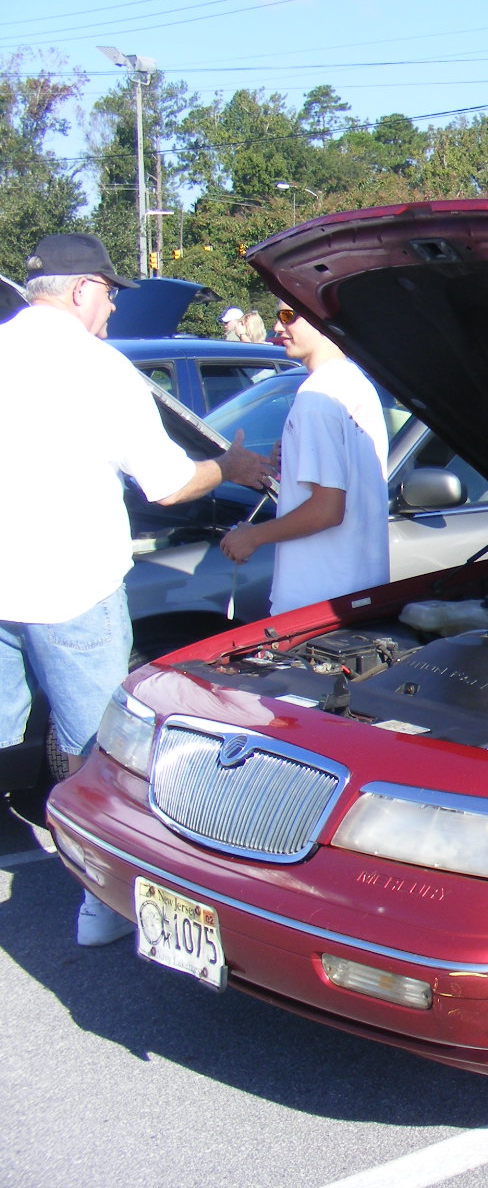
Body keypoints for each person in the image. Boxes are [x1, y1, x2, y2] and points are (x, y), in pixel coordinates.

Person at [0, 234, 273, 946]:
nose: (115, 305)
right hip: (70, 584)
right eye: (112, 292)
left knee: (1, 731)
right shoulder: (95, 369)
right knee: (95, 743)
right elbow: (171, 483)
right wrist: (233, 466)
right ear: (84, 288)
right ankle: (99, 900)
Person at [220, 303, 389, 615]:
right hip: (361, 595)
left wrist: (252, 536)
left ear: (322, 319)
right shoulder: (358, 385)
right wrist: (294, 464)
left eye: (288, 316)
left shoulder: (314, 397)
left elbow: (328, 510)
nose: (277, 327)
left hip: (315, 605)